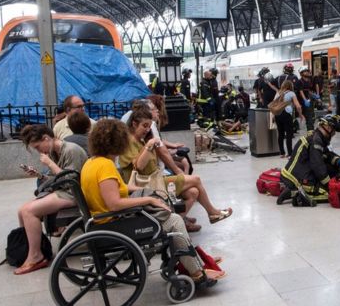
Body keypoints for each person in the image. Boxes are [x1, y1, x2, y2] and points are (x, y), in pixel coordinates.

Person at [81, 119, 224, 281]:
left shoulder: (91, 163)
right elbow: (114, 204)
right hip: (115, 224)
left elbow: (119, 189)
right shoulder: (105, 166)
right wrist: (148, 200)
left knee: (165, 211)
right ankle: (196, 272)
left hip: (104, 221)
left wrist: (149, 192)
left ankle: (192, 260)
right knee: (174, 221)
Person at [119, 108, 233, 232]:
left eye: (148, 126)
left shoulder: (140, 140)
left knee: (193, 192)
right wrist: (149, 144)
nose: (147, 130)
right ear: (134, 124)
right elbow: (139, 166)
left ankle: (174, 224)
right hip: (147, 186)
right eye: (144, 126)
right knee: (196, 179)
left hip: (155, 180)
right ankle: (212, 213)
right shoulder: (129, 142)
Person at [15, 125, 87, 275]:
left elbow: (70, 181)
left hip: (75, 194)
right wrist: (40, 176)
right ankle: (31, 250)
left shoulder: (70, 150)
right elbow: (58, 179)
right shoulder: (55, 151)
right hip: (65, 191)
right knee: (22, 211)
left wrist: (49, 163)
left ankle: (36, 256)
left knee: (29, 211)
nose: (38, 151)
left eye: (37, 147)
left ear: (46, 138)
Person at [277, 114, 340, 206]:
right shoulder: (316, 140)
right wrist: (329, 185)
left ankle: (296, 190)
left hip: (296, 171)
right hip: (296, 178)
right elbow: (318, 166)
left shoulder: (317, 136)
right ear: (328, 127)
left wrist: (339, 161)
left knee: (332, 170)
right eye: (334, 131)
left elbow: (326, 153)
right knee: (331, 195)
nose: (334, 134)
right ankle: (293, 193)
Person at [274, 80, 305, 158]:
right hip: (286, 114)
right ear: (290, 86)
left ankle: (282, 153)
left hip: (278, 114)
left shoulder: (278, 93)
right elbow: (298, 106)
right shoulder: (291, 93)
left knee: (280, 134)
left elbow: (274, 104)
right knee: (289, 134)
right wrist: (301, 115)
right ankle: (290, 154)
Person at [295, 66, 315, 131]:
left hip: (309, 101)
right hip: (303, 102)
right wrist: (305, 100)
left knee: (311, 117)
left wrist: (314, 95)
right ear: (302, 73)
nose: (307, 72)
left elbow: (308, 90)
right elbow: (301, 92)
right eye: (305, 71)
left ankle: (311, 130)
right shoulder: (299, 81)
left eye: (307, 71)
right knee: (309, 118)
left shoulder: (308, 81)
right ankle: (310, 132)